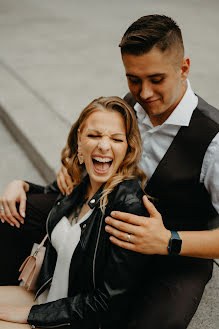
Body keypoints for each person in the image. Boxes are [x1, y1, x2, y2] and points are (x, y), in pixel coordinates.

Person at [1, 14, 219, 329]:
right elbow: (91, 156)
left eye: (156, 79)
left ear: (183, 68)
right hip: (103, 224)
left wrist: (168, 240)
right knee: (14, 212)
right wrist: (29, 183)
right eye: (134, 79)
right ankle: (20, 298)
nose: (144, 93)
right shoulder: (128, 107)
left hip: (174, 253)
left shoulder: (213, 139)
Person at [0, 96, 151, 329]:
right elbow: (52, 194)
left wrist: (28, 315)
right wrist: (21, 185)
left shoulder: (128, 206)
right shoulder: (81, 182)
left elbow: (108, 302)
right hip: (44, 299)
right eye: (93, 135)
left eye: (116, 138)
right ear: (79, 140)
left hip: (74, 321)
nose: (103, 145)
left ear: (128, 147)